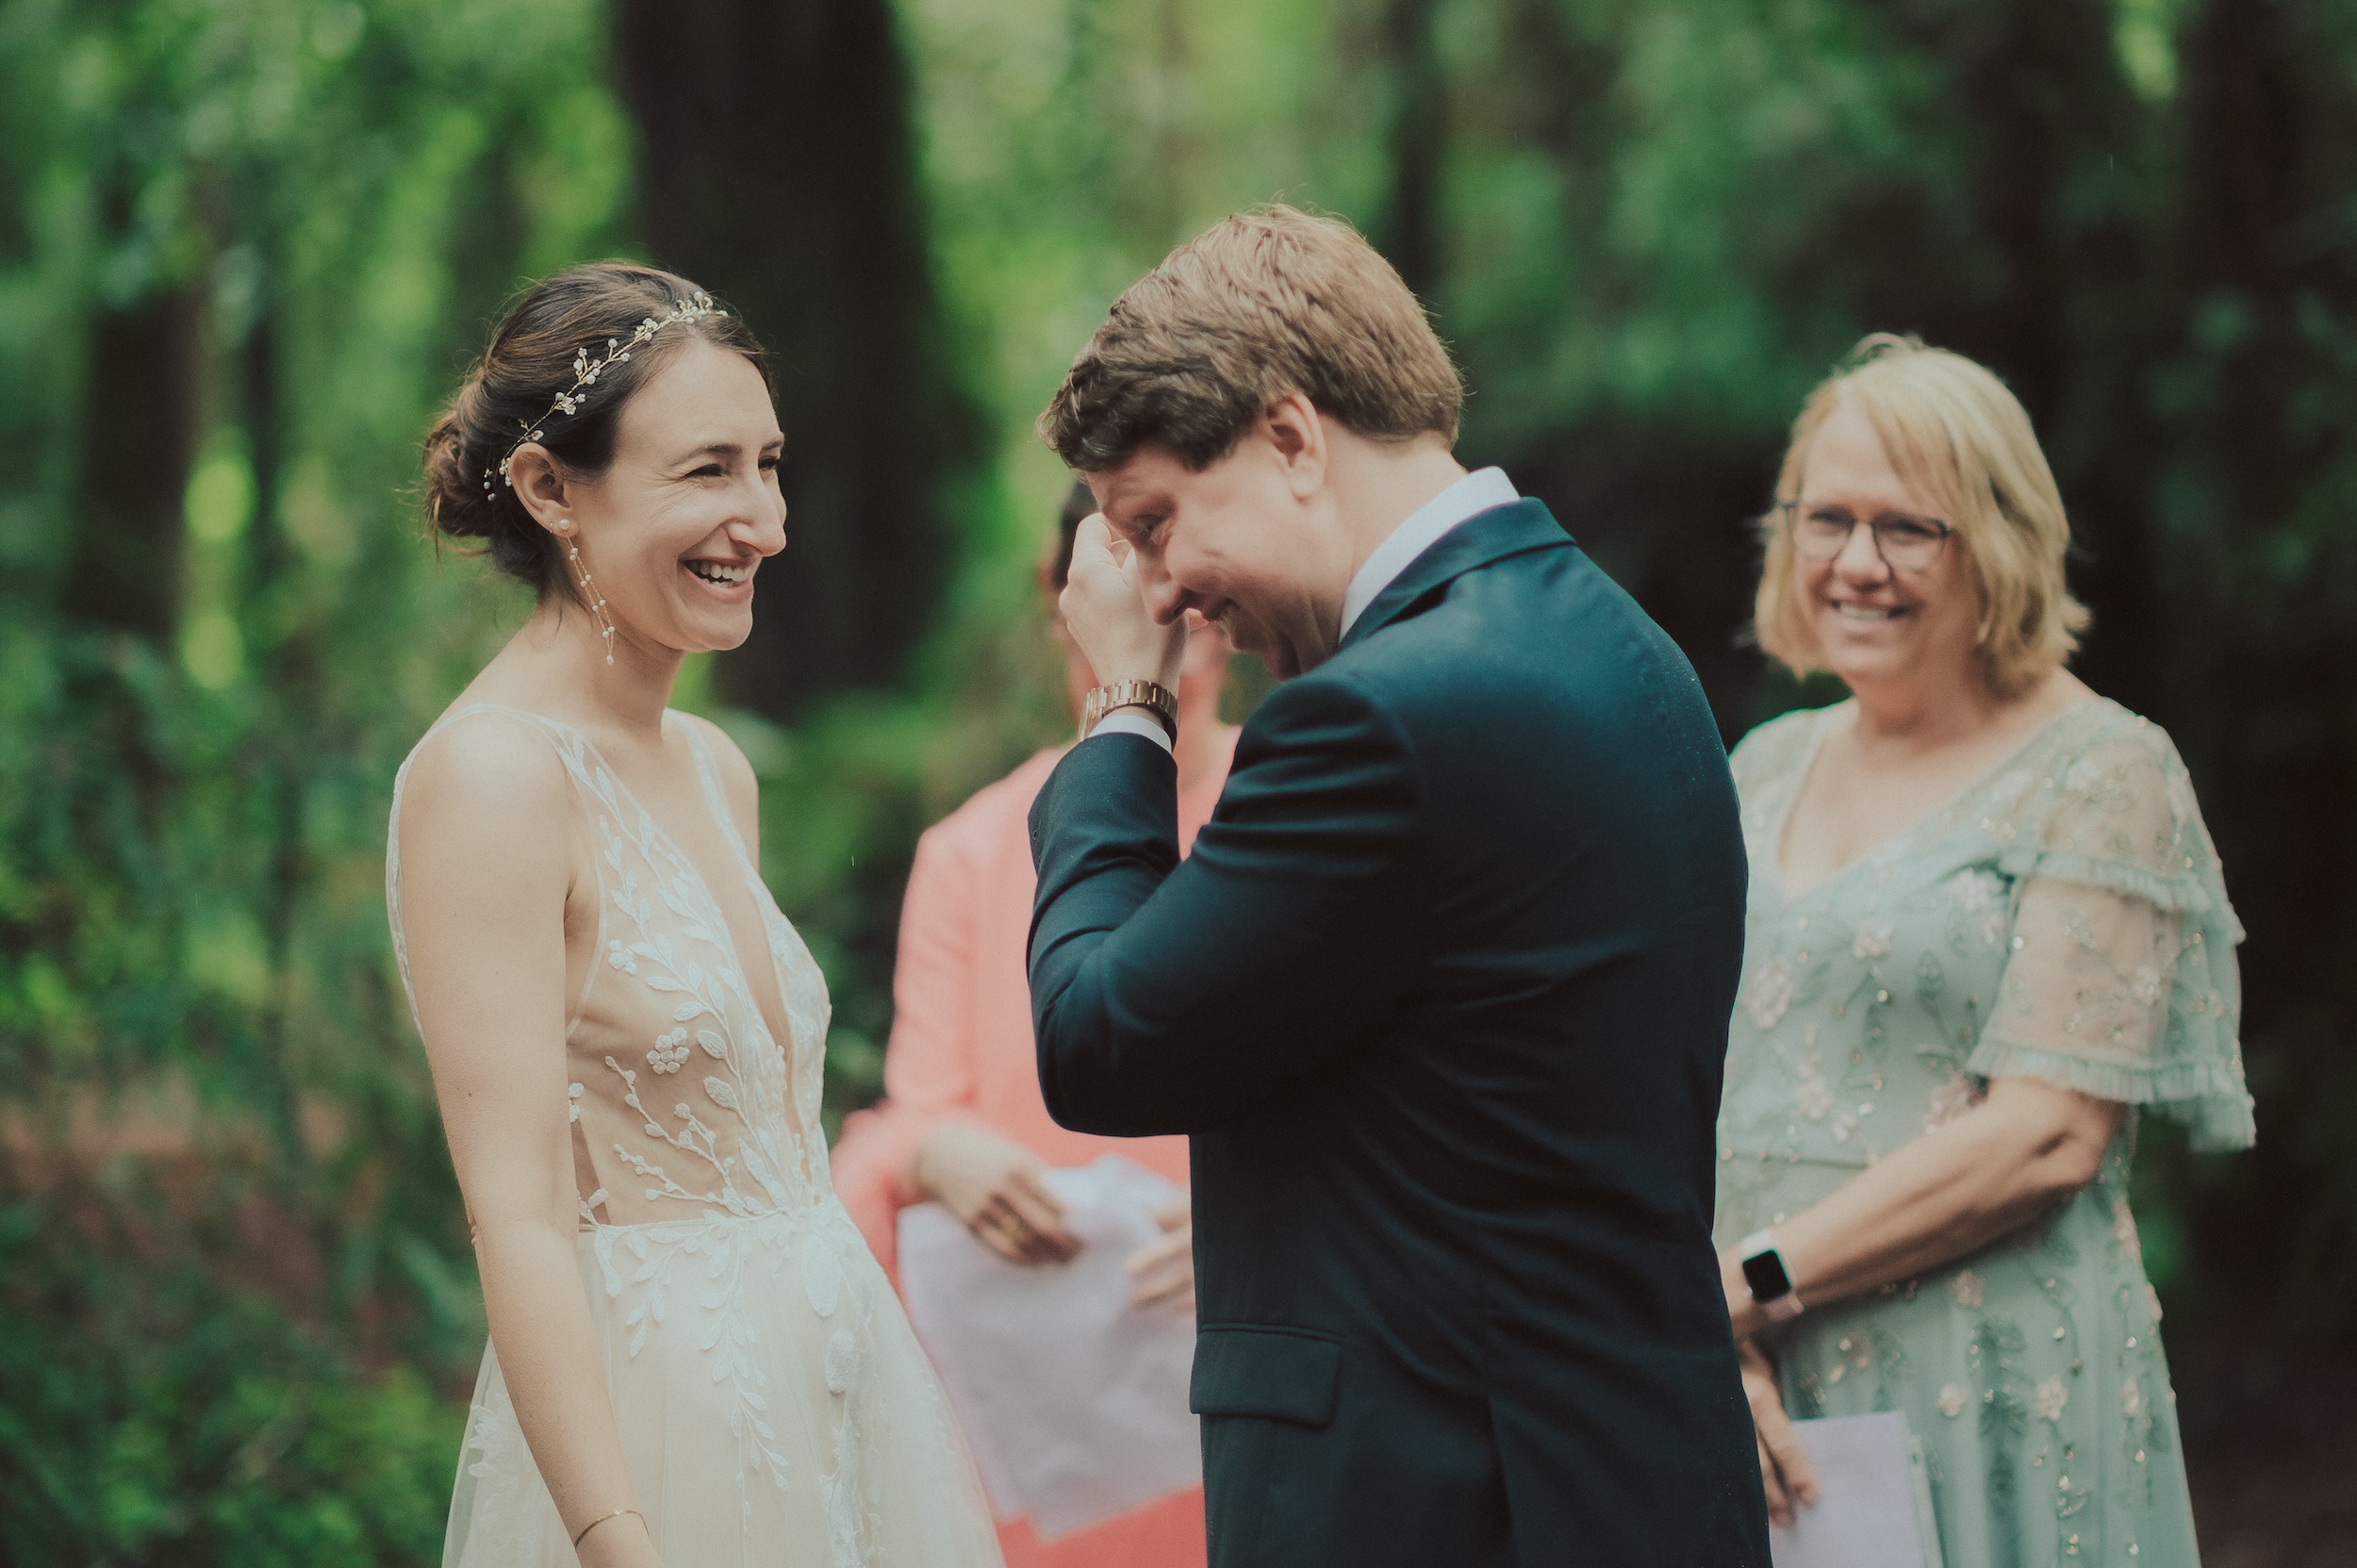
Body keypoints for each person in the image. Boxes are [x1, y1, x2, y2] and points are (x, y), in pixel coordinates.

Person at [1023, 206, 1771, 1567]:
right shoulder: (1619, 640)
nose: (1166, 589)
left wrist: (1125, 703)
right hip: (1626, 1480)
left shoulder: (1373, 719)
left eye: (1155, 523)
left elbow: (1101, 1037)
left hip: (1440, 1500)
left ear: (1292, 436)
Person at [388, 262, 1002, 1568]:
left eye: (769, 465)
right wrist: (619, 1533)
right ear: (553, 489)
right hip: (663, 1433)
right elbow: (523, 1218)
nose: (766, 519)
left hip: (836, 1390)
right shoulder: (492, 778)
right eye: (709, 470)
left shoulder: (718, 771)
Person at [1714, 334, 2253, 1567]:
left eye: (1910, 527)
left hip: (1984, 1367)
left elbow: (2049, 1132)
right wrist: (1711, 1325)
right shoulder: (1762, 765)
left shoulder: (2105, 767)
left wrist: (1741, 1280)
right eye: (1828, 518)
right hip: (1746, 1369)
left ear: (1999, 540)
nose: (1858, 563)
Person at [830, 481, 1235, 1567]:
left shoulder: (1298, 793)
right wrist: (936, 1150)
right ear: (1061, 599)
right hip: (1049, 1421)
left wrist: (1263, 1222)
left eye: (1182, 582)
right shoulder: (969, 849)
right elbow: (905, 1126)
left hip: (1253, 1386)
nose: (1160, 613)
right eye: (1119, 576)